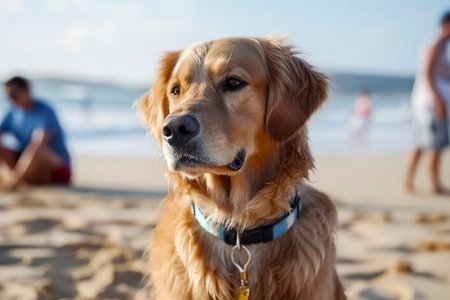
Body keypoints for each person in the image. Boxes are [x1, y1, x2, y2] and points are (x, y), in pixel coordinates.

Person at [404, 11, 450, 194]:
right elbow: (428, 74)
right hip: (429, 103)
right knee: (434, 144)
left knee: (423, 143)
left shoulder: (442, 47)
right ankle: (434, 185)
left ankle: (414, 183)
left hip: (429, 102)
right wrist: (439, 101)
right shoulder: (435, 45)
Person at [0, 76, 71, 190]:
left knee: (37, 147)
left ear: (27, 91)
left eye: (14, 95)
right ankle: (16, 179)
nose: (11, 100)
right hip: (28, 169)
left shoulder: (44, 110)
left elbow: (38, 143)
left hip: (56, 171)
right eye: (8, 97)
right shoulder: (12, 112)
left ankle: (15, 181)